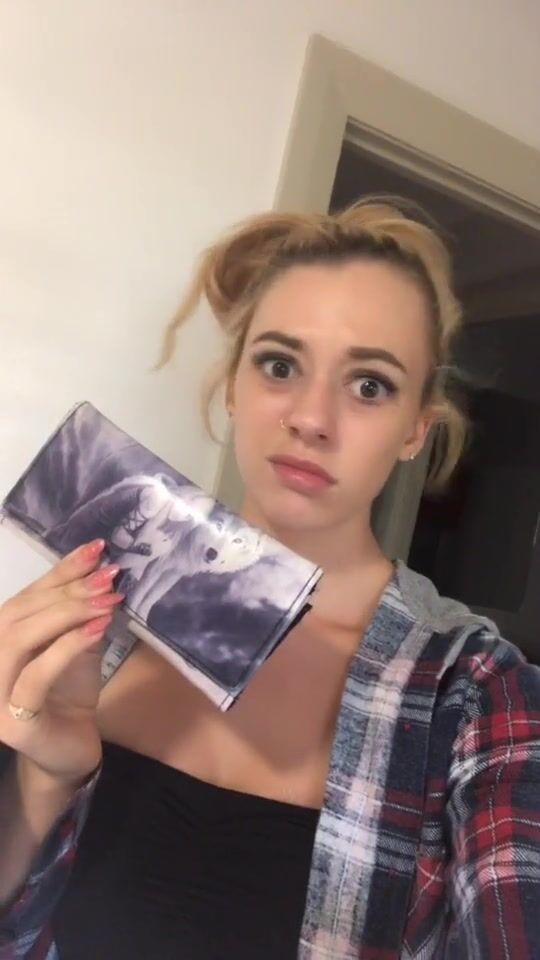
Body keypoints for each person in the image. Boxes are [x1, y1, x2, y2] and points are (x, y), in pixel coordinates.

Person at [0, 198, 539, 960]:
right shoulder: (99, 612)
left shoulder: (479, 694)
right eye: (280, 366)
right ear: (233, 385)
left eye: (370, 385)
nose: (311, 418)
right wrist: (42, 777)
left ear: (416, 428)